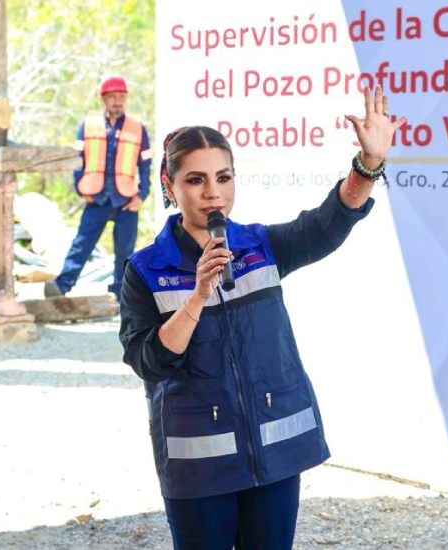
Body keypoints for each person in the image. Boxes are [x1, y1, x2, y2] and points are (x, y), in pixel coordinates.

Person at [119, 86, 403, 549]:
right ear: (169, 186)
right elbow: (147, 360)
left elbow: (327, 223)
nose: (213, 192)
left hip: (273, 452)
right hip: (200, 464)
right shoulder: (145, 270)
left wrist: (367, 165)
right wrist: (196, 298)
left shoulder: (258, 245)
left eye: (223, 177)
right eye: (195, 180)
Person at [47, 74, 152, 298]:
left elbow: (145, 165)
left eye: (121, 97)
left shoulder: (137, 128)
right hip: (97, 198)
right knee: (81, 245)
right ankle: (61, 286)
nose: (118, 101)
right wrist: (80, 188)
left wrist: (141, 195)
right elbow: (77, 159)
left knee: (125, 252)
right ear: (103, 98)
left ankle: (121, 295)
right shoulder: (88, 125)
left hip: (126, 200)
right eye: (113, 97)